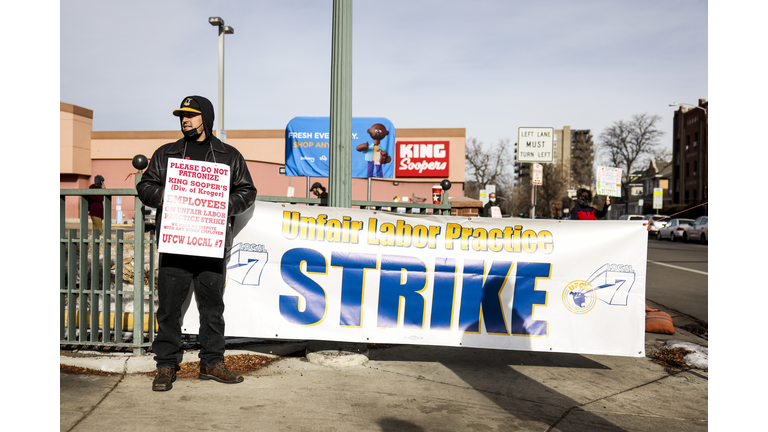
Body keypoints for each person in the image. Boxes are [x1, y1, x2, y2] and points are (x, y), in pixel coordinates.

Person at [137, 95, 257, 392]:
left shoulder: (229, 155)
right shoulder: (167, 153)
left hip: (210, 245)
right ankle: (165, 365)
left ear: (206, 117)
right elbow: (145, 185)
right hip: (176, 246)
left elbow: (247, 191)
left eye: (191, 115)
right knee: (168, 309)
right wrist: (165, 195)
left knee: (212, 308)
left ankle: (211, 363)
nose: (185, 120)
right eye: (181, 116)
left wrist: (220, 204)